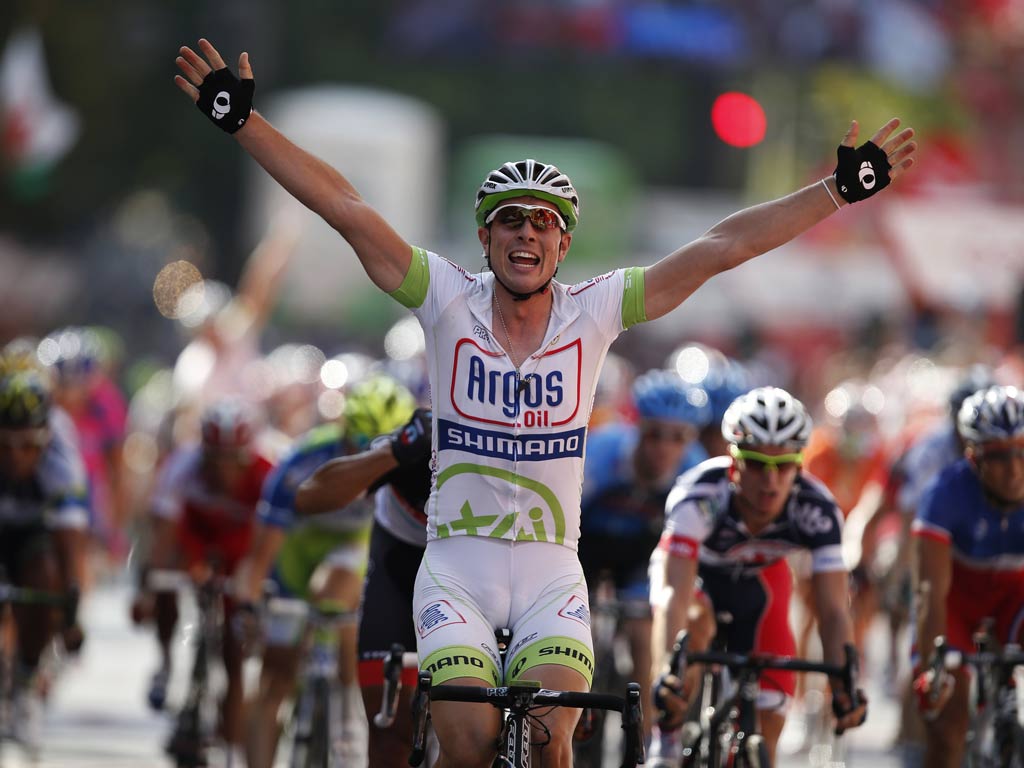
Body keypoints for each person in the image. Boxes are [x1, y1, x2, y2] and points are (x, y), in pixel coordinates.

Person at [173, 38, 915, 766]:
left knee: (555, 739)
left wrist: (837, 190)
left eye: (542, 224)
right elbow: (346, 206)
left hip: (551, 578)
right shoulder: (444, 300)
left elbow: (723, 246)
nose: (525, 233)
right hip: (455, 571)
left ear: (562, 247)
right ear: (484, 235)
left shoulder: (596, 311)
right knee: (467, 746)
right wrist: (245, 123)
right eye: (509, 220)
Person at [648, 387, 868, 765]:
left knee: (768, 726)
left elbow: (833, 609)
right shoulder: (699, 496)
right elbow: (673, 596)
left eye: (783, 465)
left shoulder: (818, 509)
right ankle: (665, 741)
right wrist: (669, 669)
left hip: (760, 588)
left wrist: (842, 682)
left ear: (799, 466)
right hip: (697, 582)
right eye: (756, 464)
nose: (770, 481)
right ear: (734, 464)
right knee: (693, 630)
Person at [234, 374, 416, 768]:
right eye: (359, 444)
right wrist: (249, 602)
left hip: (351, 554)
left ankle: (349, 711)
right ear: (343, 429)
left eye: (381, 447)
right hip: (294, 560)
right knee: (274, 681)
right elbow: (262, 550)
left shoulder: (411, 465)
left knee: (340, 591)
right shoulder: (304, 460)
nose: (369, 456)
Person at [131, 397, 274, 760]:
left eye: (234, 462)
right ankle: (165, 661)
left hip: (242, 551)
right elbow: (163, 530)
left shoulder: (266, 473)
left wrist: (255, 584)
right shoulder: (184, 465)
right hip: (196, 540)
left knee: (233, 653)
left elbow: (273, 539)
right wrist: (148, 590)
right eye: (216, 461)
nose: (225, 471)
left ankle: (231, 742)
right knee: (164, 579)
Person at [576, 368, 710, 752]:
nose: (664, 447)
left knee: (643, 634)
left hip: (642, 553)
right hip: (588, 543)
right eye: (653, 434)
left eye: (678, 437)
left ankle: (645, 745)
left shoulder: (694, 469)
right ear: (636, 427)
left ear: (690, 440)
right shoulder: (601, 453)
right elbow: (563, 520)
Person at [294, 406, 432, 767]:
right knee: (389, 738)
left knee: (474, 737)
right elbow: (309, 496)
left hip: (481, 578)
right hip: (399, 573)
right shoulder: (425, 437)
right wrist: (396, 451)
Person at [911, 385, 1024, 768]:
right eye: (999, 456)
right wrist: (932, 668)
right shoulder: (945, 492)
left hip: (1015, 598)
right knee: (948, 729)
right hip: (954, 604)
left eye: (1023, 452)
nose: (1015, 469)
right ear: (973, 456)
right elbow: (930, 592)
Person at [0, 371, 87, 755]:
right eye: (4, 444)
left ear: (45, 439)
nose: (16, 455)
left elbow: (71, 551)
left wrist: (69, 613)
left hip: (33, 535)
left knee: (45, 578)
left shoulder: (62, 464)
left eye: (28, 445)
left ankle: (27, 679)